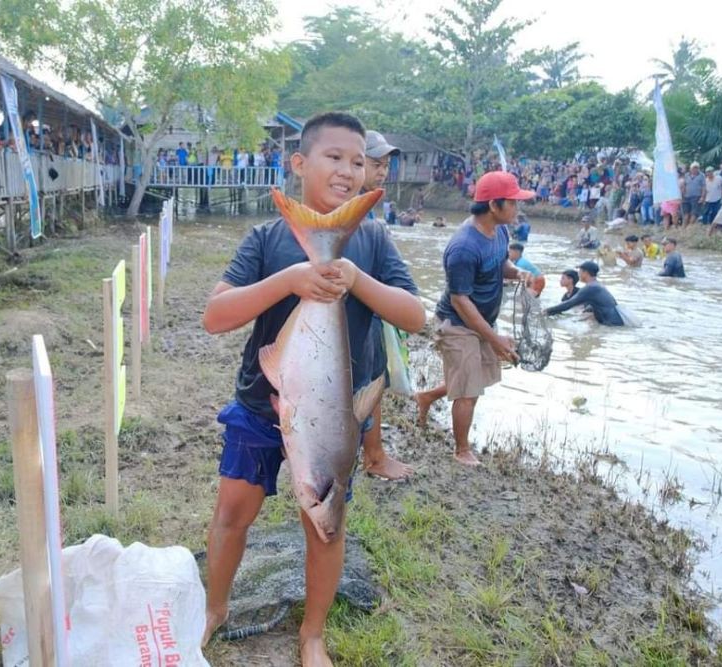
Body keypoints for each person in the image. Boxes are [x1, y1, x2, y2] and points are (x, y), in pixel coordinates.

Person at [200, 112, 426, 665]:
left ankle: (313, 634)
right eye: (334, 158)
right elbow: (214, 315)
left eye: (358, 161)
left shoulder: (372, 239)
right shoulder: (267, 238)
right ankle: (214, 608)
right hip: (264, 401)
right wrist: (291, 280)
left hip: (332, 417)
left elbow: (415, 315)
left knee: (325, 524)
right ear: (299, 163)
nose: (348, 171)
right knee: (233, 510)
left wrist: (355, 278)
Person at [414, 172, 534, 466]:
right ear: (494, 205)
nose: (518, 209)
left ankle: (427, 396)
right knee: (467, 391)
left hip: (481, 320)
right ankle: (461, 450)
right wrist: (495, 340)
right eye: (514, 203)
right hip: (457, 323)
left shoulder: (500, 231)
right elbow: (460, 300)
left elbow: (500, 263)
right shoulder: (464, 247)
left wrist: (517, 272)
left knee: (476, 379)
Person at [360, 130, 416, 481]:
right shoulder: (357, 213)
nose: (382, 172)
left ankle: (372, 452)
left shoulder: (370, 212)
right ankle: (374, 456)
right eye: (374, 164)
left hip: (373, 310)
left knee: (372, 380)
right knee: (371, 381)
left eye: (385, 166)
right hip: (362, 314)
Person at [545, 261, 624, 326]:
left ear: (585, 273)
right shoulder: (597, 285)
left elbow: (568, 304)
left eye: (580, 271)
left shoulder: (590, 288)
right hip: (615, 322)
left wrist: (546, 312)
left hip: (611, 324)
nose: (578, 274)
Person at [682, 162, 704, 226]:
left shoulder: (701, 175)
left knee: (694, 213)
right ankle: (684, 229)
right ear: (690, 169)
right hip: (686, 196)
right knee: (686, 213)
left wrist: (702, 197)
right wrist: (682, 195)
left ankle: (689, 228)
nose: (695, 169)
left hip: (696, 196)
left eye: (696, 168)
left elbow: (703, 187)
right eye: (693, 168)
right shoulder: (686, 175)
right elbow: (684, 185)